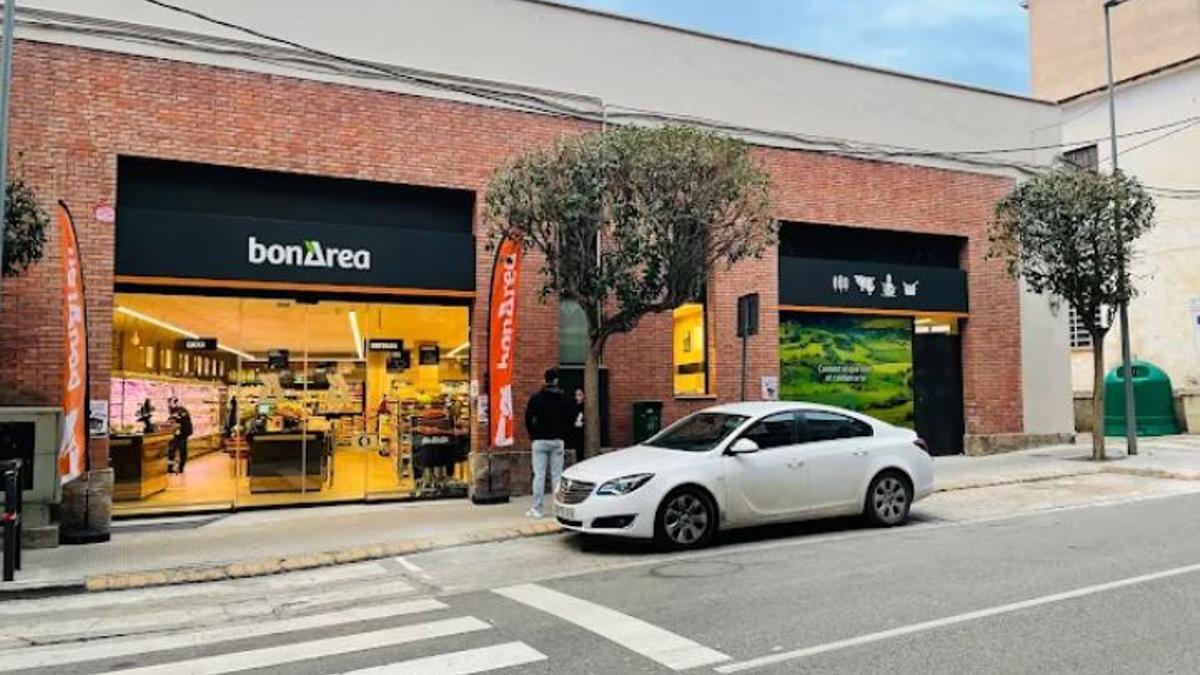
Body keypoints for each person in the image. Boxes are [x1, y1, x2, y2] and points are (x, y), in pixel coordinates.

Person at [524, 367, 571, 518]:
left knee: (539, 475)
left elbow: (528, 419)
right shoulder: (563, 398)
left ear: (545, 380)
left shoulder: (536, 398)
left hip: (540, 440)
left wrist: (533, 435)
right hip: (557, 440)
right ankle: (558, 509)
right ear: (557, 381)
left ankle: (537, 509)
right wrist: (563, 435)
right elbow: (569, 419)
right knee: (557, 476)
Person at [169, 400, 194, 475]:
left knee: (180, 450)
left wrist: (173, 423)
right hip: (180, 434)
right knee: (175, 450)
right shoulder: (177, 411)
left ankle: (179, 468)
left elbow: (177, 420)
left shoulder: (180, 411)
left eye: (170, 404)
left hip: (182, 434)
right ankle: (175, 468)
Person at [570, 388, 586, 464]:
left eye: (579, 395)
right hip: (576, 434)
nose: (577, 397)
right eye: (576, 395)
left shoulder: (586, 407)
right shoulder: (573, 408)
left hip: (584, 434)